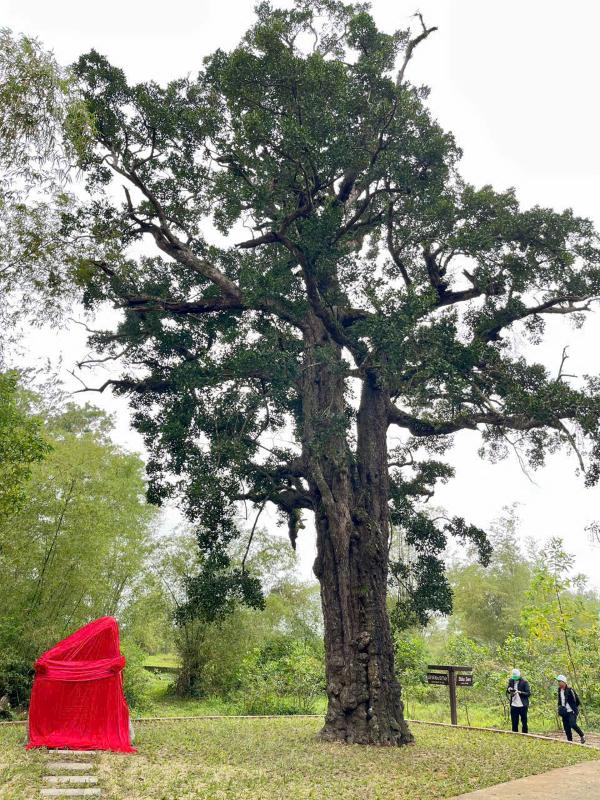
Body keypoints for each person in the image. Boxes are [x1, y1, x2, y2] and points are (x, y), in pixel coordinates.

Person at [556, 675, 585, 744]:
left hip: (571, 711)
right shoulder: (559, 690)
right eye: (558, 681)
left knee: (573, 724)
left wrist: (574, 709)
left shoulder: (570, 690)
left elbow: (577, 700)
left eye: (560, 681)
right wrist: (559, 707)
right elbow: (560, 700)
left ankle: (582, 735)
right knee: (566, 727)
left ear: (564, 682)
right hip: (564, 712)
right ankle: (570, 741)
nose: (559, 683)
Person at [506, 668, 531, 733]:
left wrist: (520, 692)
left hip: (522, 705)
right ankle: (514, 733)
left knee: (524, 720)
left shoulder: (524, 682)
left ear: (519, 675)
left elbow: (528, 693)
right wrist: (509, 690)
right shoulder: (511, 681)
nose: (515, 679)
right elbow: (508, 691)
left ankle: (525, 733)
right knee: (514, 721)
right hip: (514, 704)